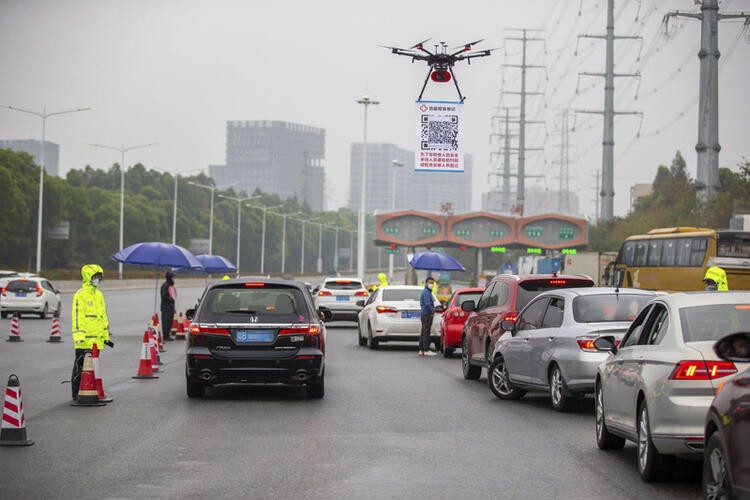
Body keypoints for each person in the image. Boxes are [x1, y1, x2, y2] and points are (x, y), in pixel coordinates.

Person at [70, 264, 112, 400]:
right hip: (84, 341)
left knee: (93, 370)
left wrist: (105, 336)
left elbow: (103, 317)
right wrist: (79, 336)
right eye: (96, 277)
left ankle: (91, 391)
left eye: (99, 277)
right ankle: (76, 393)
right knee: (79, 368)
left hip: (96, 341)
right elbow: (77, 317)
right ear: (89, 277)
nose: (98, 279)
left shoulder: (99, 295)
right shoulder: (80, 295)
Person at [419, 277, 437, 356]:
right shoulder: (426, 292)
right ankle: (426, 350)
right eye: (430, 283)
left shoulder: (428, 291)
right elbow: (427, 304)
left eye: (432, 283)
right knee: (426, 332)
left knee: (423, 332)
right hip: (427, 314)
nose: (431, 284)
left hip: (424, 314)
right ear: (426, 283)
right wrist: (432, 311)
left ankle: (421, 349)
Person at [161, 271, 177, 340]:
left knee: (170, 321)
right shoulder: (165, 285)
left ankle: (167, 334)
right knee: (166, 322)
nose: (174, 279)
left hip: (170, 307)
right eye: (172, 277)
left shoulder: (170, 285)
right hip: (166, 308)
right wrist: (171, 299)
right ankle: (166, 336)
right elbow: (164, 296)